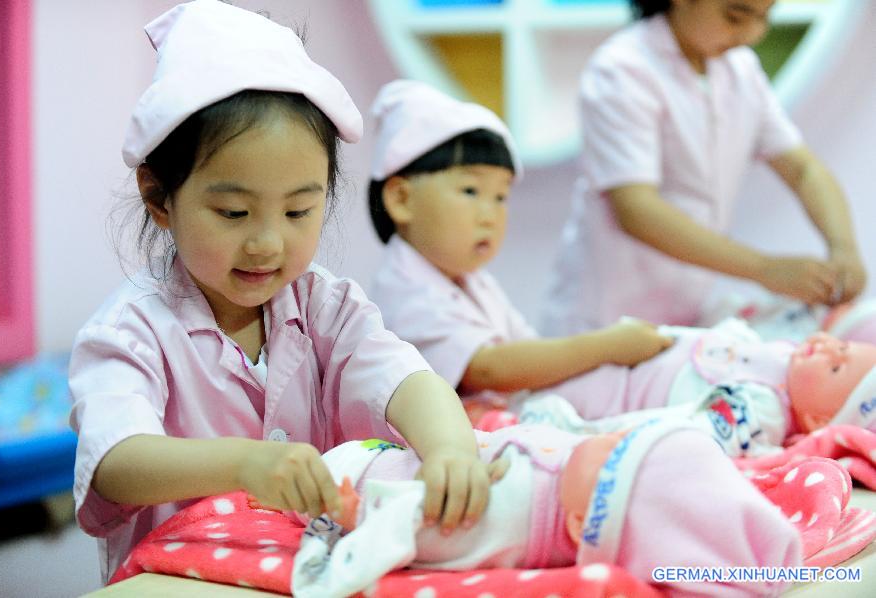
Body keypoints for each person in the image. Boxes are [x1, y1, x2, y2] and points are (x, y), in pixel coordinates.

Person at [68, 2, 497, 581]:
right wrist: (246, 464)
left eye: (299, 209)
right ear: (158, 196)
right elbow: (116, 463)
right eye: (234, 211)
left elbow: (406, 379)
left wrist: (450, 449)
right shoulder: (129, 333)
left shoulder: (326, 306)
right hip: (181, 582)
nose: (267, 243)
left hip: (309, 571)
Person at [541, 0, 867, 335]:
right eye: (736, 16)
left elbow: (802, 168)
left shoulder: (740, 70)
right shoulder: (622, 69)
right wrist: (765, 269)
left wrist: (844, 249)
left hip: (685, 313)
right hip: (604, 318)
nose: (753, 34)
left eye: (765, 17)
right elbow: (636, 208)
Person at [367, 79, 673, 425]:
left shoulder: (475, 283)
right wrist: (608, 346)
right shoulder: (404, 289)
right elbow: (488, 368)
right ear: (401, 199)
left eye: (500, 197)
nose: (490, 214)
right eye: (470, 190)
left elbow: (528, 350)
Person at [290, 421, 804, 598]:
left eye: (615, 452)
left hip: (357, 477)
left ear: (586, 523)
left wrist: (355, 519)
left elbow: (423, 527)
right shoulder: (571, 475)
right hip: (405, 445)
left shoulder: (515, 520)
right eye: (624, 435)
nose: (607, 438)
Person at [512, 319, 876, 458]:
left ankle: (534, 415)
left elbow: (692, 429)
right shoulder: (788, 356)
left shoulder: (763, 410)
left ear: (816, 420)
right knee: (551, 357)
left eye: (835, 366)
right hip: (632, 350)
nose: (828, 347)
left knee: (538, 387)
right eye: (841, 346)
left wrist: (587, 433)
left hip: (615, 396)